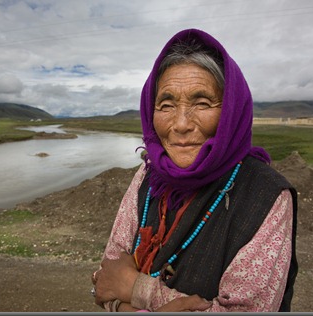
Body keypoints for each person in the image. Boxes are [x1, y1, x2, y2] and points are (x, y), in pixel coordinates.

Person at [91, 28, 298, 312]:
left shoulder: (265, 195)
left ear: (231, 112)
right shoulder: (149, 176)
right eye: (166, 105)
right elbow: (106, 278)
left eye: (202, 103)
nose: (181, 124)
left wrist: (138, 290)